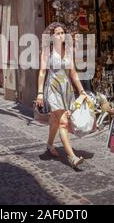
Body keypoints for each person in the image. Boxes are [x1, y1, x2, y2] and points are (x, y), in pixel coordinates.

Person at [36, 22, 88, 169]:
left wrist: (82, 90)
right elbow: (42, 72)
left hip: (66, 90)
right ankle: (72, 157)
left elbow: (73, 73)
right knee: (63, 122)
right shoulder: (47, 52)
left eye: (62, 33)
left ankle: (49, 145)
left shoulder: (69, 51)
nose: (60, 36)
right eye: (57, 33)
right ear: (51, 36)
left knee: (54, 121)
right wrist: (40, 93)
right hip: (52, 89)